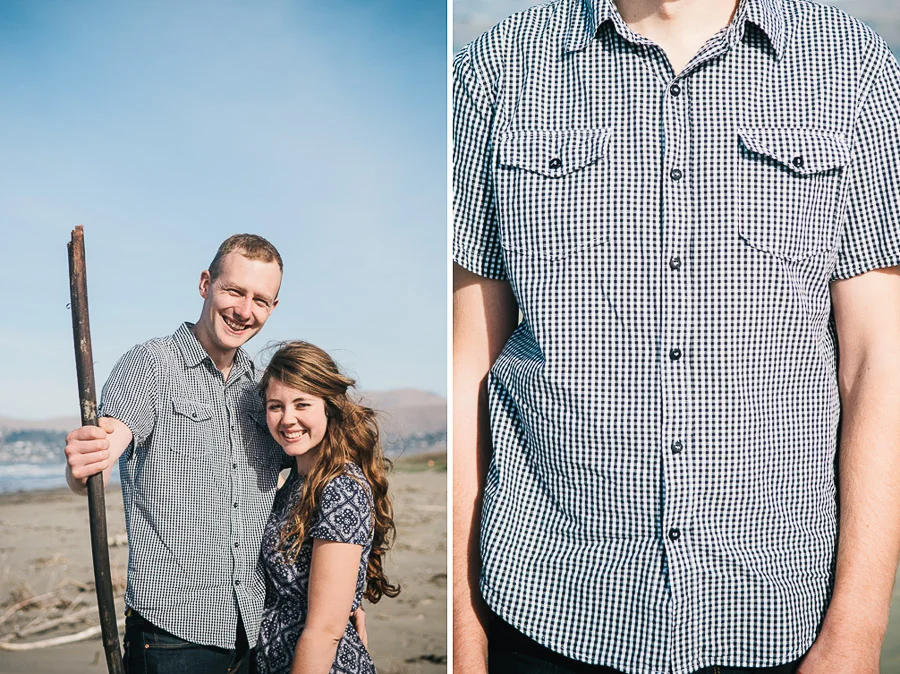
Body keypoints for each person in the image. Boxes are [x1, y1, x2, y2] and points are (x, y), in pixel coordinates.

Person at [453, 0, 900, 673]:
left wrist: (859, 630)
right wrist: (462, 630)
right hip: (546, 608)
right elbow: (465, 364)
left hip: (780, 614)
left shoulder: (855, 67)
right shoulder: (494, 69)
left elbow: (878, 364)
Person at [65, 234, 289, 673]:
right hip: (171, 636)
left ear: (273, 308)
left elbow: (311, 470)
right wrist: (87, 461)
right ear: (206, 283)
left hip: (256, 626)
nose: (245, 310)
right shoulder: (151, 365)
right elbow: (109, 441)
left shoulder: (263, 390)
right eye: (234, 291)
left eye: (260, 299)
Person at [254, 341, 399, 674]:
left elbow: (326, 630)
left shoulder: (341, 488)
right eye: (276, 406)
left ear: (329, 406)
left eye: (301, 404)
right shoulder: (296, 481)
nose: (287, 419)